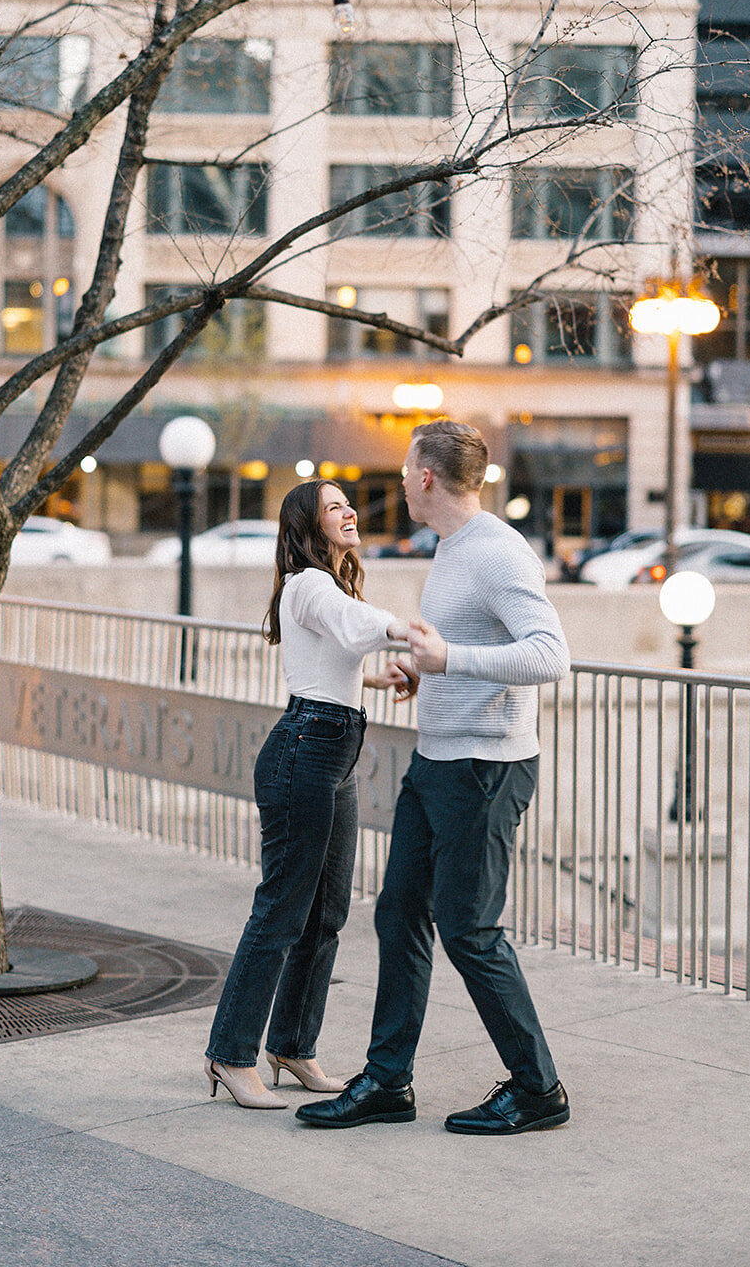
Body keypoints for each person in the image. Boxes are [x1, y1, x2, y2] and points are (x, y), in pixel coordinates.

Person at [297, 419, 572, 1136]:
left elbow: (547, 654)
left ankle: (538, 1089)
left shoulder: (496, 552)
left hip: (485, 766)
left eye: (403, 468)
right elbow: (460, 644)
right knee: (398, 913)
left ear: (425, 477)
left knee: (469, 931)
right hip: (438, 757)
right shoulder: (451, 548)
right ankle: (388, 1081)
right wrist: (421, 671)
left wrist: (451, 662)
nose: (397, 481)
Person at [204, 478, 416, 1110]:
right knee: (281, 912)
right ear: (308, 526)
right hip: (305, 754)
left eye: (348, 503)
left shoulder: (327, 586)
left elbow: (330, 658)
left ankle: (293, 1044)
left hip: (333, 753)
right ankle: (230, 1054)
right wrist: (406, 630)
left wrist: (372, 677)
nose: (349, 511)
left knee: (326, 914)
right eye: (334, 507)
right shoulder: (309, 584)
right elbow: (351, 627)